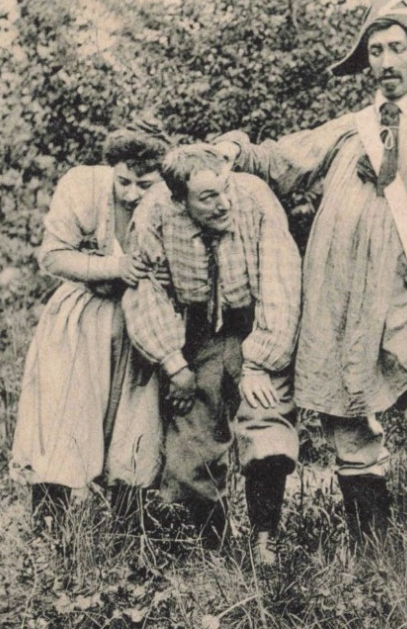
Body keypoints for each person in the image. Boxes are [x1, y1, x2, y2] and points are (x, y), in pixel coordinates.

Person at [215, 0, 407, 575]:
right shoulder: (347, 129)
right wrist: (235, 148)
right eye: (375, 50)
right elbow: (281, 161)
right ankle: (375, 563)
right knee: (351, 431)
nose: (385, 61)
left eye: (397, 47)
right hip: (338, 306)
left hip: (405, 301)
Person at [122, 143, 301, 564]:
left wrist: (260, 361)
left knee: (266, 427)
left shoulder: (254, 199)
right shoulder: (154, 212)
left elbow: (282, 282)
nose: (224, 203)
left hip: (254, 327)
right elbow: (144, 287)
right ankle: (210, 548)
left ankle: (264, 539)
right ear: (179, 200)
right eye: (208, 197)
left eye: (224, 190)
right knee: (190, 449)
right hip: (196, 335)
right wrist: (172, 361)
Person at [10, 121, 170, 531]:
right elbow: (53, 257)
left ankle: (127, 539)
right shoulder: (82, 186)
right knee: (64, 416)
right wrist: (114, 266)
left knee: (136, 423)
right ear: (112, 168)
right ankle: (50, 533)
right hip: (80, 317)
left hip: (141, 323)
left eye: (144, 184)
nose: (132, 193)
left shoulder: (171, 199)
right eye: (125, 181)